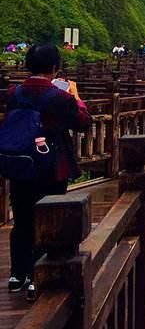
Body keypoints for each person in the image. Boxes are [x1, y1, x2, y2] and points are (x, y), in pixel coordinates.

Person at [1, 44, 91, 299]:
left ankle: (18, 274)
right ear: (55, 67)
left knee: (22, 218)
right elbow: (83, 122)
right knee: (48, 218)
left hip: (21, 163)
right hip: (52, 164)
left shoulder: (14, 93)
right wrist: (75, 95)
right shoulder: (60, 97)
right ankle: (37, 276)